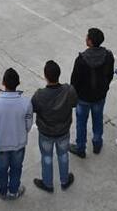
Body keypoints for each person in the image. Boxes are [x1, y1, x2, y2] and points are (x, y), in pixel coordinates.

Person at [0, 68, 32, 201]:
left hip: (0, 145)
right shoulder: (26, 103)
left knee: (1, 170)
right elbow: (28, 125)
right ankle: (14, 191)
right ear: (18, 83)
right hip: (18, 144)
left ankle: (2, 190)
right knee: (16, 169)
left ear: (3, 82)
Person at [31, 60, 77, 193]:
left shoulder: (39, 95)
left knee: (47, 157)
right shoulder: (69, 90)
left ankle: (48, 183)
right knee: (63, 155)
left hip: (46, 132)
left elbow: (33, 108)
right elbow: (74, 103)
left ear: (45, 76)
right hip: (63, 131)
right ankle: (64, 180)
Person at [69, 28, 114, 159]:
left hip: (83, 98)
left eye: (87, 37)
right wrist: (104, 88)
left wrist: (75, 96)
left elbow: (74, 81)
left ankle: (80, 148)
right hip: (99, 96)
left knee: (81, 123)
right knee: (98, 119)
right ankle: (97, 143)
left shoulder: (81, 59)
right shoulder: (108, 56)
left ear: (90, 41)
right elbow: (110, 74)